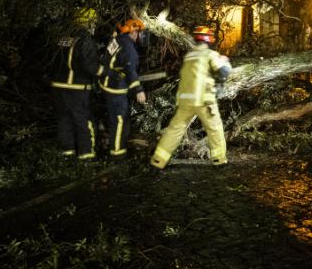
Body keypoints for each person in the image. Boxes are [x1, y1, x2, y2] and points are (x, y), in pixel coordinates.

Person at [150, 26, 233, 169]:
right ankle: (219, 160)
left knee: (174, 130)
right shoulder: (209, 54)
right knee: (214, 128)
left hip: (185, 102)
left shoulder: (189, 56)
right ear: (209, 39)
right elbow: (224, 73)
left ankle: (158, 161)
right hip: (204, 100)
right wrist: (225, 61)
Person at [49, 8, 102, 160]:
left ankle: (67, 155)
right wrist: (107, 73)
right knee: (83, 121)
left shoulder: (62, 36)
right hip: (77, 88)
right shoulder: (84, 38)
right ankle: (87, 156)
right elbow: (90, 65)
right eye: (93, 22)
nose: (94, 25)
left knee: (64, 120)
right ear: (88, 22)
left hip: (58, 87)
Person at [97, 18, 147, 158]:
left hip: (106, 84)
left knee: (114, 119)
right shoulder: (129, 48)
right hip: (116, 89)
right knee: (120, 121)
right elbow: (130, 70)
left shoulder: (117, 40)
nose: (140, 35)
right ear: (133, 32)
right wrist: (138, 90)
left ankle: (110, 145)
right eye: (139, 32)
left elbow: (107, 59)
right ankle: (117, 154)